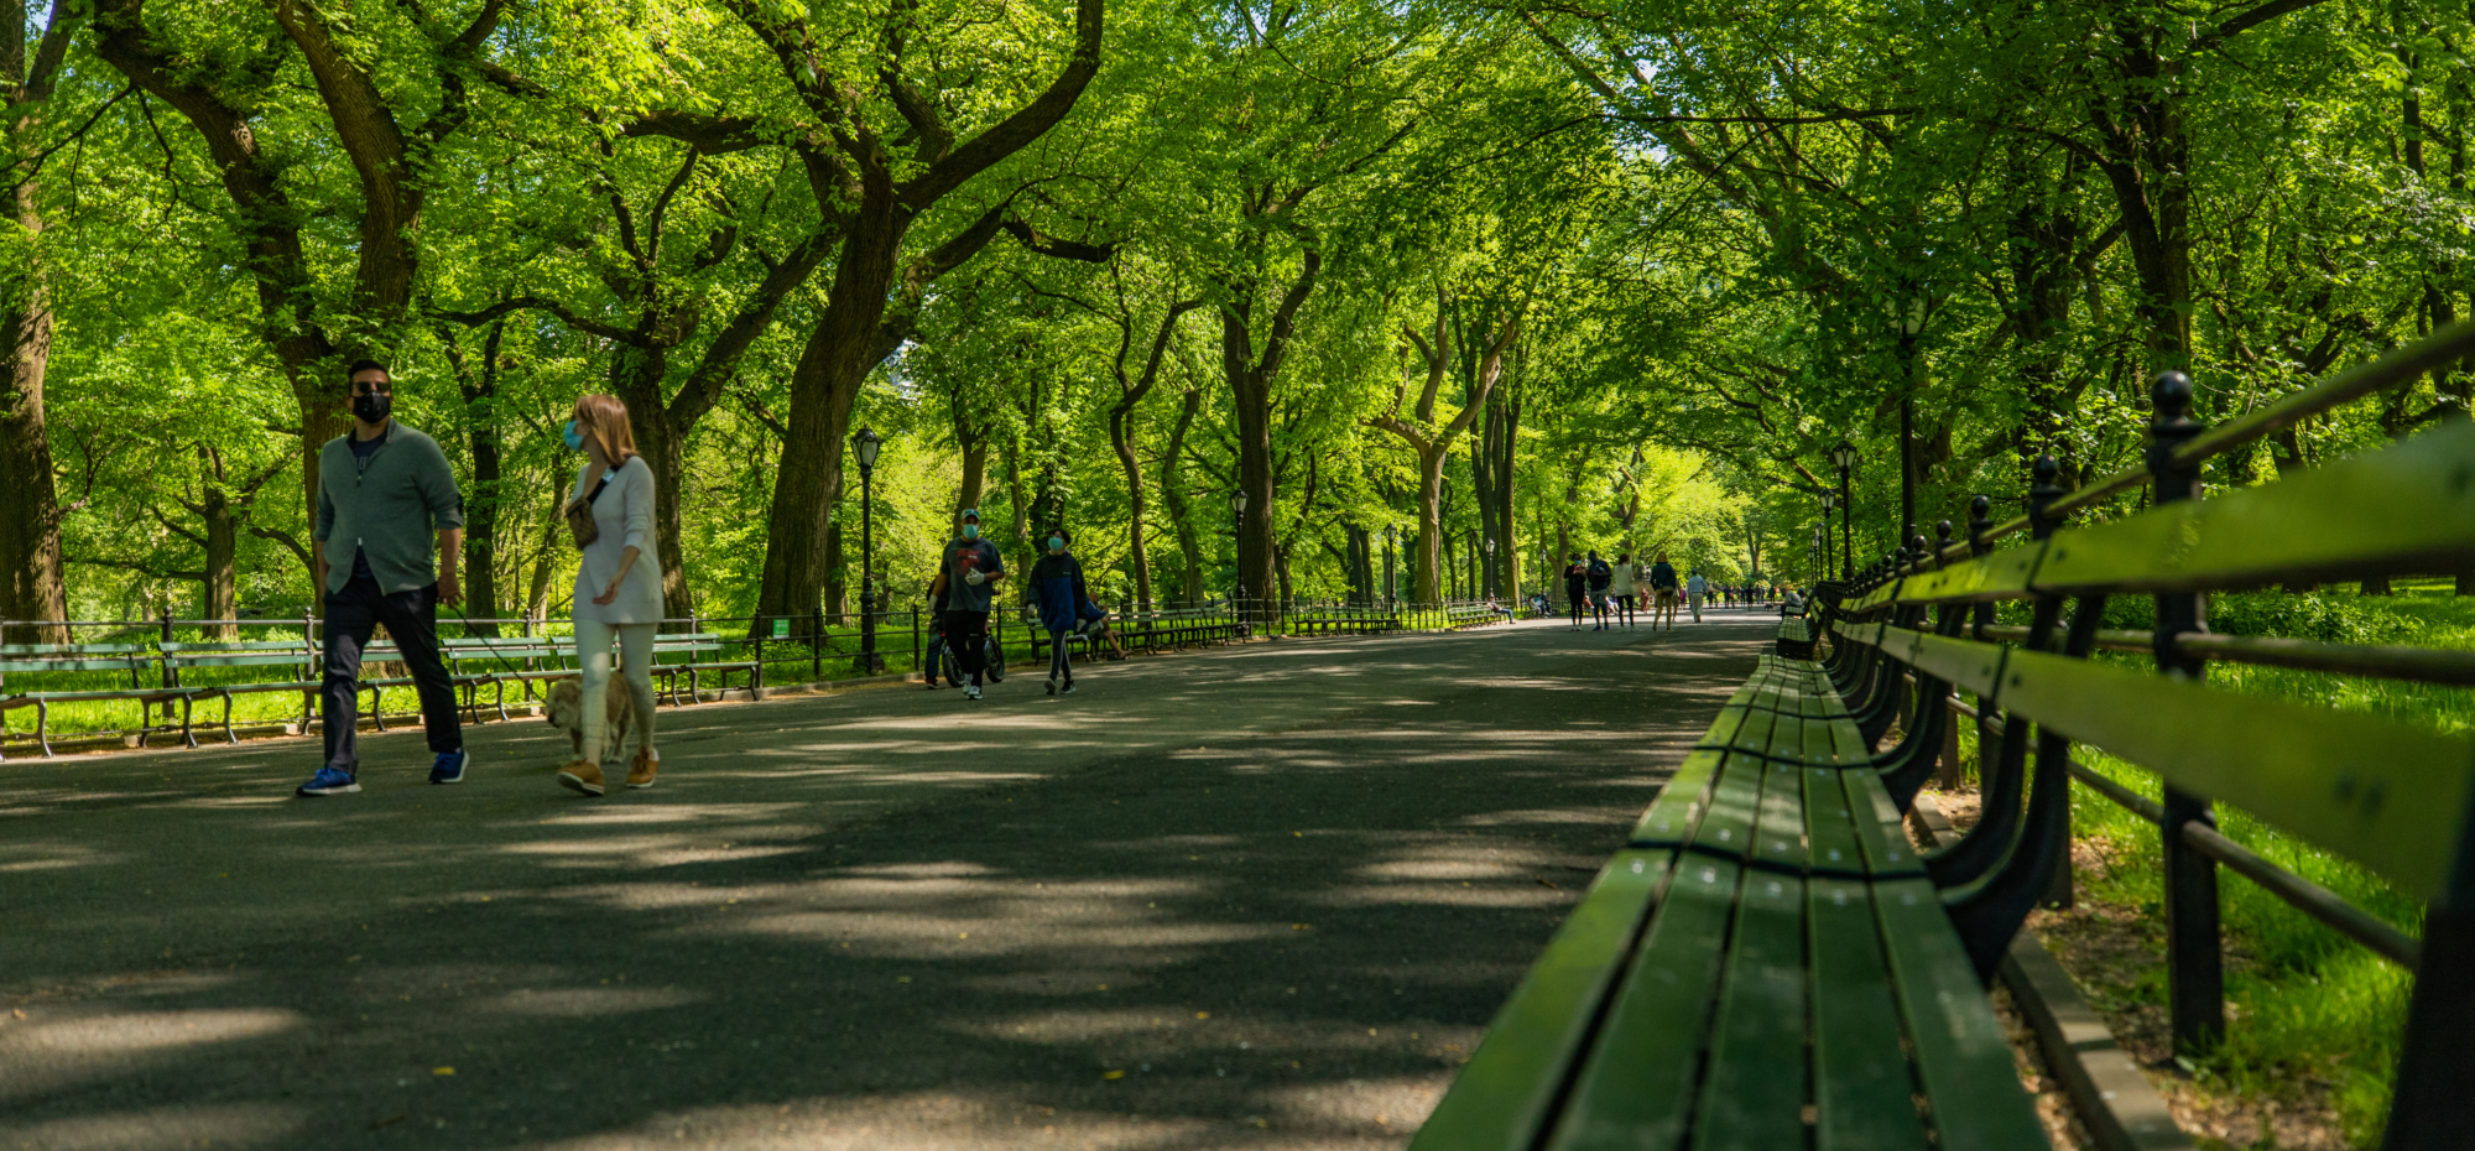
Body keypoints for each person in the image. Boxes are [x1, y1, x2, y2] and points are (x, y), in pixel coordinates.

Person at [298, 360, 469, 797]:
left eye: (382, 387)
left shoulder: (418, 448)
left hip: (406, 582)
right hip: (346, 585)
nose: (374, 394)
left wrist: (448, 574)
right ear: (348, 398)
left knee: (425, 667)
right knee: (338, 673)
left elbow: (449, 512)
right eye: (364, 388)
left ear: (390, 395)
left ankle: (449, 749)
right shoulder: (331, 454)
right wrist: (324, 584)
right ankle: (338, 768)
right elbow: (323, 521)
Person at [555, 394, 666, 797]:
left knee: (635, 679)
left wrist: (619, 575)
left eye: (577, 421)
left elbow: (638, 528)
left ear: (598, 425)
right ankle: (592, 764)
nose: (572, 428)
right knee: (595, 677)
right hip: (591, 586)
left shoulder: (636, 471)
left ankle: (647, 753)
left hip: (633, 585)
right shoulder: (584, 472)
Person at [941, 508, 1006, 700]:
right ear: (961, 524)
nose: (971, 525)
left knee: (976, 643)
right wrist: (935, 597)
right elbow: (943, 573)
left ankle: (976, 684)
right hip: (955, 604)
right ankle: (967, 670)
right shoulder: (951, 547)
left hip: (978, 604)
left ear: (979, 524)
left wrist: (984, 577)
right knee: (953, 641)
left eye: (974, 521)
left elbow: (1000, 572)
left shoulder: (988, 547)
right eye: (967, 521)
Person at [1028, 528, 1098, 696]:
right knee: (1059, 644)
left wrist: (1081, 614)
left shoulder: (1071, 563)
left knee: (1057, 641)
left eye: (1058, 537)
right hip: (1049, 609)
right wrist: (1031, 602)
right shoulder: (1042, 564)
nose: (1054, 539)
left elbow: (1080, 590)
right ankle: (1069, 681)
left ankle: (1052, 678)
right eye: (1051, 536)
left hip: (1066, 609)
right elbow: (1034, 585)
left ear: (1065, 542)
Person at [1647, 552, 1680, 632]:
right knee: (1669, 608)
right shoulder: (1668, 567)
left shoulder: (1655, 568)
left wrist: (1656, 588)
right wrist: (1672, 587)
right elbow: (1673, 578)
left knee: (1659, 608)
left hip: (1659, 589)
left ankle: (1655, 624)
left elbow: (1651, 580)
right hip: (1668, 589)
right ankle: (1668, 626)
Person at [1585, 550, 1613, 631]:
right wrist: (1589, 575)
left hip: (1602, 587)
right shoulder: (1591, 567)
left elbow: (1609, 573)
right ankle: (1598, 624)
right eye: (1589, 557)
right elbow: (1590, 579)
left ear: (1594, 556)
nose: (1590, 559)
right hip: (1594, 587)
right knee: (1596, 606)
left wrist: (1599, 574)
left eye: (1591, 557)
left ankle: (1606, 622)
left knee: (1603, 604)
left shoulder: (1602, 563)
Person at [1608, 551, 1637, 628]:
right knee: (1630, 608)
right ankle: (1632, 625)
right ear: (1627, 559)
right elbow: (1631, 579)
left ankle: (1622, 625)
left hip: (1619, 590)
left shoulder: (1616, 568)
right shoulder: (1628, 567)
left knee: (1621, 609)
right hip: (1627, 589)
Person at [1562, 553, 1588, 629]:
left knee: (1580, 606)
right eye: (1576, 559)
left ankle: (1580, 624)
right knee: (1573, 606)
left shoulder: (1582, 568)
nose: (1577, 561)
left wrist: (1581, 573)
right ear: (1573, 560)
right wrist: (1573, 573)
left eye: (1578, 559)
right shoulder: (1570, 568)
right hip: (1572, 588)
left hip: (1580, 588)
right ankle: (1574, 624)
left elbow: (1585, 578)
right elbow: (1565, 576)